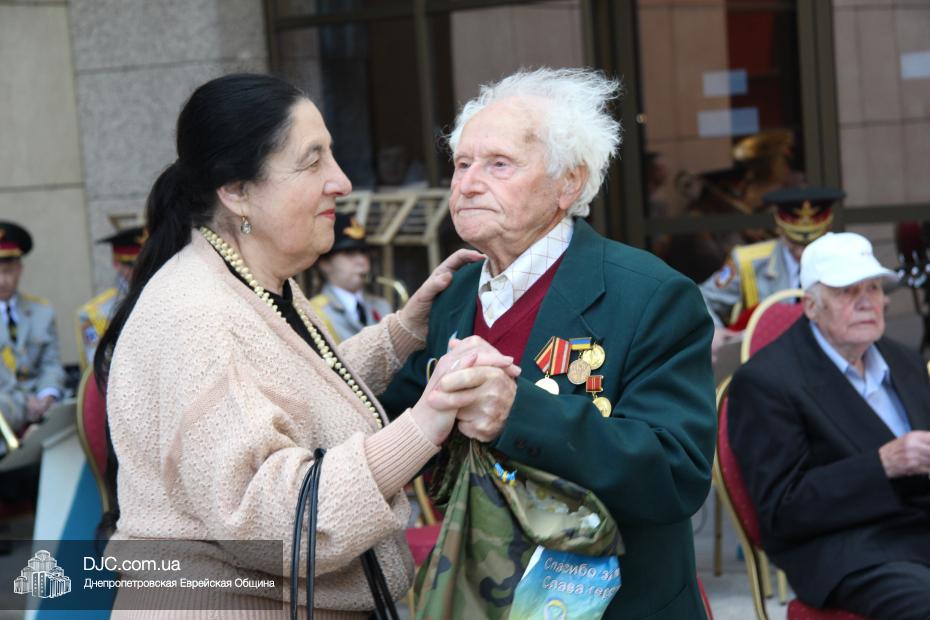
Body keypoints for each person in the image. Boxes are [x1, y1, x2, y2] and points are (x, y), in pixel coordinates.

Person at [94, 73, 521, 617]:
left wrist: (403, 331)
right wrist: (424, 424)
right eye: (312, 161)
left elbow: (295, 394)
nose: (341, 181)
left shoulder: (250, 280)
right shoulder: (198, 315)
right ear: (237, 191)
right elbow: (276, 522)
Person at [379, 67, 716, 619]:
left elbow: (676, 475)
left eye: (499, 164)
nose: (467, 184)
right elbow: (391, 420)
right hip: (476, 598)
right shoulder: (453, 293)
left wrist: (518, 413)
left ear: (569, 184)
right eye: (462, 164)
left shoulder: (651, 295)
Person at [728, 232, 930, 620]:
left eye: (873, 288)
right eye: (847, 291)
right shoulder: (766, 382)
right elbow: (782, 511)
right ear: (811, 306)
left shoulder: (903, 360)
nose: (867, 302)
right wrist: (883, 464)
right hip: (848, 550)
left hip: (918, 529)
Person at [700, 186, 841, 357]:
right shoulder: (747, 261)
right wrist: (714, 331)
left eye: (812, 243)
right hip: (766, 357)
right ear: (780, 227)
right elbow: (701, 297)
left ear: (827, 229)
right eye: (794, 241)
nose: (802, 251)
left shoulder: (845, 261)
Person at [0, 221, 64, 435]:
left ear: (20, 269)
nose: (2, 280)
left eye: (8, 271)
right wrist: (24, 403)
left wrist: (47, 394)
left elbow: (51, 363)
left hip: (41, 414)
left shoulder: (42, 312)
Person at [310, 212, 392, 343]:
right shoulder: (314, 312)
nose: (362, 261)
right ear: (324, 263)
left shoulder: (382, 306)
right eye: (349, 253)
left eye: (364, 252)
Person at [75, 226, 146, 370]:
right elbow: (97, 366)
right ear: (116, 263)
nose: (140, 271)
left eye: (145, 264)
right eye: (132, 265)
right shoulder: (93, 314)